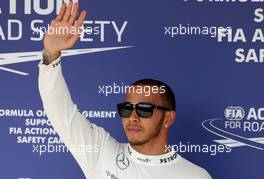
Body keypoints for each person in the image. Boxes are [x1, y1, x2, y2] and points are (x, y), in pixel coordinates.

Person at [38, 1, 212, 179]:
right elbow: (58, 110)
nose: (133, 118)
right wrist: (51, 54)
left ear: (168, 118)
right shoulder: (100, 151)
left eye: (145, 109)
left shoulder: (195, 176)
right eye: (126, 109)